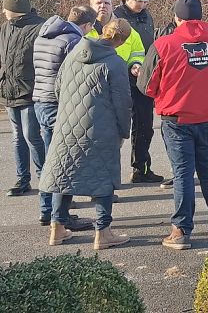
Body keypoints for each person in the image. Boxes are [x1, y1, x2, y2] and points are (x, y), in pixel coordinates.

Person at [138, 0, 208, 251]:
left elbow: (146, 86)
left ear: (177, 18)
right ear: (201, 17)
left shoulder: (163, 45)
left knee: (183, 175)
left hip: (176, 120)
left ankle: (181, 230)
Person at [39, 19, 134, 250]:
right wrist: (124, 130)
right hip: (101, 130)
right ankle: (103, 233)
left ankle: (57, 228)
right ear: (121, 40)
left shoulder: (74, 52)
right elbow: (122, 103)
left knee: (64, 175)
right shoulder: (115, 63)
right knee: (103, 180)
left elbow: (58, 86)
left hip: (67, 125)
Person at [31, 5, 97, 231]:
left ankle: (46, 210)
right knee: (64, 162)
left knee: (50, 160)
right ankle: (59, 217)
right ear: (87, 25)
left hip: (40, 99)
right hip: (60, 104)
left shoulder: (44, 35)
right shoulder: (73, 41)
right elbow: (75, 77)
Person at [0, 0, 46, 197]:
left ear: (15, 11)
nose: (4, 11)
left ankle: (45, 181)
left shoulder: (39, 27)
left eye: (6, 8)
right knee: (17, 137)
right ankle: (23, 179)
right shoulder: (5, 28)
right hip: (7, 90)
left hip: (29, 91)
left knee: (32, 136)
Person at [114, 0, 165, 184]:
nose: (141, 5)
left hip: (142, 78)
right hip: (120, 78)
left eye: (145, 1)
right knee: (116, 127)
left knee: (144, 126)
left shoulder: (147, 17)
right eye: (138, 1)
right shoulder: (117, 17)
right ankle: (109, 174)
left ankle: (141, 167)